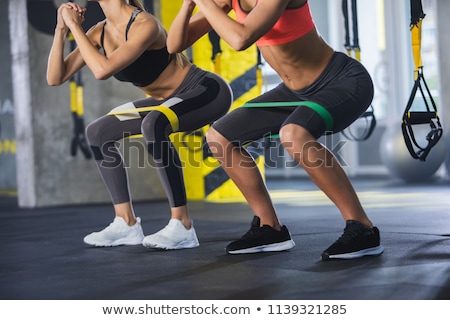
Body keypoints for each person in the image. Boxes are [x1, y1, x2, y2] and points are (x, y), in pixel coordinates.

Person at [167, 0, 384, 259]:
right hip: (293, 92)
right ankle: (269, 227)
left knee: (293, 134)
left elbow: (240, 39)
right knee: (219, 137)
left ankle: (363, 228)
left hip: (342, 81)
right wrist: (188, 6)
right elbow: (174, 45)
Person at [47, 0, 232, 249]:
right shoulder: (98, 32)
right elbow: (55, 77)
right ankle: (126, 223)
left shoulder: (145, 24)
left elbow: (102, 70)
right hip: (163, 102)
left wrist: (74, 26)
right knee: (98, 131)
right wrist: (61, 30)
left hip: (205, 91)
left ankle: (183, 225)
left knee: (154, 123)